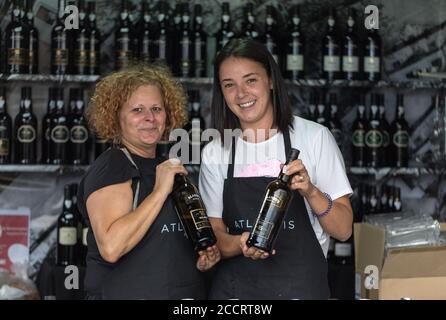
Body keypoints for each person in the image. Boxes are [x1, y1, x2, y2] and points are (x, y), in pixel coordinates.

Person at [198, 39, 353, 300]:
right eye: (229, 85)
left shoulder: (314, 138)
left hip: (300, 291)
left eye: (251, 80)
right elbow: (214, 237)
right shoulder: (216, 150)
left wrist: (311, 191)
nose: (241, 94)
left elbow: (343, 230)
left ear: (270, 80)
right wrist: (240, 243)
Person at [77, 65, 220, 300]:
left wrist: (201, 262)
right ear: (116, 116)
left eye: (156, 109)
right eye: (137, 110)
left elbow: (166, 244)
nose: (150, 118)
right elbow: (111, 248)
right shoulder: (113, 167)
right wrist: (159, 191)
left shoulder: (168, 167)